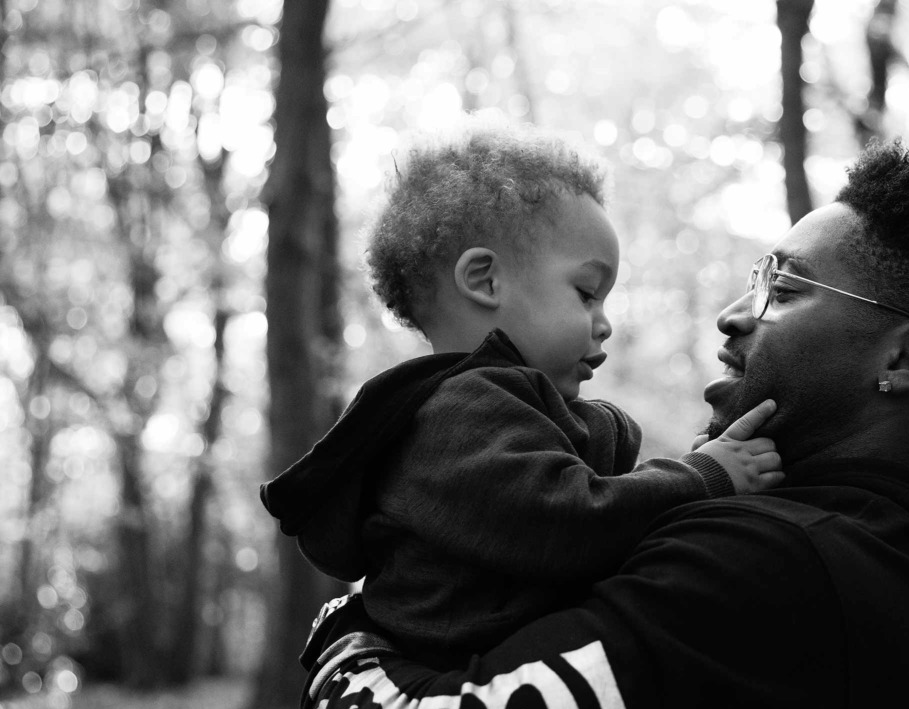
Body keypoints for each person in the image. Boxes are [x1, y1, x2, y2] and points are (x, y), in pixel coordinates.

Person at [295, 142, 909, 709]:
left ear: (903, 359)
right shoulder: (885, 565)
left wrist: (347, 633)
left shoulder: (769, 572)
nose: (734, 313)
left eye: (785, 291)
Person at [260, 117, 783, 668]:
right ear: (485, 281)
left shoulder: (491, 406)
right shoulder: (459, 412)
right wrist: (704, 476)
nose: (604, 324)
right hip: (460, 689)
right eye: (586, 294)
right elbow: (571, 522)